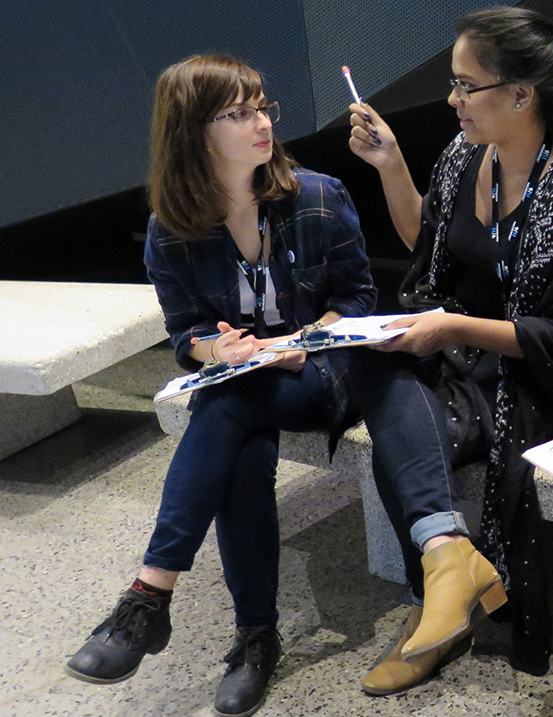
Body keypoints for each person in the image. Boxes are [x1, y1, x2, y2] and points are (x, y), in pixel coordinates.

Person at [64, 55, 377, 717]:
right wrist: (218, 347)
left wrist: (296, 343)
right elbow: (185, 333)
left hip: (323, 372)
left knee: (228, 400)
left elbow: (359, 302)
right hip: (249, 384)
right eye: (237, 113)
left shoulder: (317, 196)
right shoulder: (170, 230)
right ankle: (255, 635)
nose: (261, 123)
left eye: (262, 106)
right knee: (240, 441)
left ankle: (151, 596)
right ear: (191, 132)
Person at [345, 6, 553, 690]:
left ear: (522, 94)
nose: (452, 99)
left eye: (467, 85)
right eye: (453, 82)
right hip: (465, 360)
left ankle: (438, 604)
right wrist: (390, 166)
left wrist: (454, 329)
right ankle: (448, 560)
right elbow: (431, 246)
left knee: (402, 410)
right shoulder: (464, 155)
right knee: (375, 362)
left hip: (534, 383)